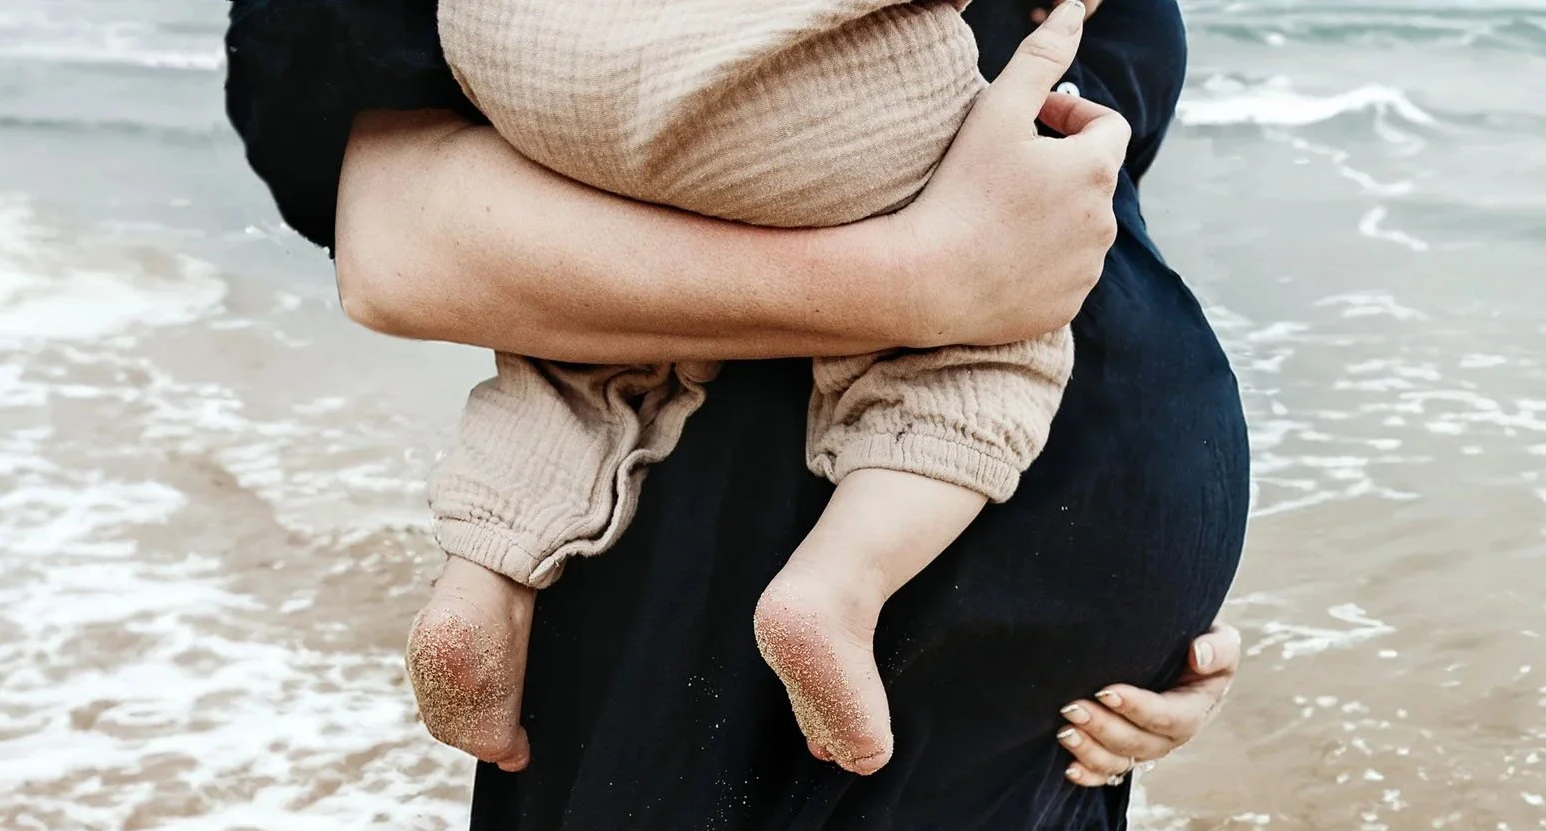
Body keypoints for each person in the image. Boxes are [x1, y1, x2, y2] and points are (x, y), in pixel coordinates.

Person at [223, 0, 1251, 831]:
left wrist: (1144, 583)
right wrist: (921, 280)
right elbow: (397, 241)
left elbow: (1081, 233)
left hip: (1030, 667)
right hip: (738, 599)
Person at [412, 0, 1083, 778]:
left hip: (529, 64)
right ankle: (837, 587)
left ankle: (481, 580)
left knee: (573, 345)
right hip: (772, 80)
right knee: (987, 318)